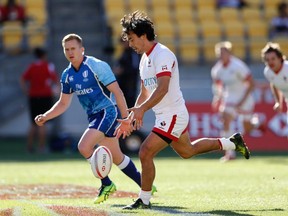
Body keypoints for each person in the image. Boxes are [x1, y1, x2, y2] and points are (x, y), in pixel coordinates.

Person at [116, 11, 250, 210]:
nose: (130, 44)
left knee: (145, 152)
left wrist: (143, 109)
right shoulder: (144, 59)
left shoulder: (163, 54)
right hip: (166, 115)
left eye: (132, 39)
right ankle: (231, 143)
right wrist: (133, 114)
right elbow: (145, 91)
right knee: (188, 151)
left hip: (174, 115)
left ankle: (143, 200)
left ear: (143, 35)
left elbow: (162, 88)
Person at [34, 33, 157, 204]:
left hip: (108, 112)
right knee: (117, 157)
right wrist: (46, 116)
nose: (70, 52)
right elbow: (63, 103)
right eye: (66, 49)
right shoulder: (67, 75)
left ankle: (106, 184)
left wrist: (125, 118)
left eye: (73, 48)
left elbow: (117, 92)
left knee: (84, 146)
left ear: (82, 49)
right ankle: (145, 184)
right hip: (94, 116)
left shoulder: (96, 66)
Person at [211, 41, 264, 162]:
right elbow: (217, 86)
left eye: (224, 53)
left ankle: (257, 123)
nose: (221, 55)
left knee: (248, 127)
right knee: (226, 120)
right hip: (229, 97)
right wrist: (217, 98)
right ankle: (229, 154)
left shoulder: (238, 66)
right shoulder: (217, 69)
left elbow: (251, 84)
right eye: (219, 53)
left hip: (244, 97)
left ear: (229, 53)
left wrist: (242, 100)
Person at [20, 47, 59, 154]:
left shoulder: (31, 66)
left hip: (33, 96)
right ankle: (42, 148)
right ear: (44, 55)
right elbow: (55, 80)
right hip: (45, 96)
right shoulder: (48, 66)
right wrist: (56, 91)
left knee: (33, 123)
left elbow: (23, 78)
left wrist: (26, 91)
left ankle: (29, 147)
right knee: (43, 123)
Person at [261, 42, 288, 129]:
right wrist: (278, 102)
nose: (270, 62)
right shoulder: (268, 72)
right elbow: (274, 84)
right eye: (267, 60)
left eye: (273, 59)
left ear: (280, 58)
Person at [114, 39, 141, 108]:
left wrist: (122, 71)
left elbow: (135, 68)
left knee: (130, 105)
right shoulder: (125, 52)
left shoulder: (134, 53)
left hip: (130, 84)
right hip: (123, 84)